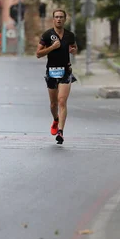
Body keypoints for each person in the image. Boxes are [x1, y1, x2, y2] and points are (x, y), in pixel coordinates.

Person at [36, 9, 78, 144]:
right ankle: (55, 119)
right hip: (52, 71)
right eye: (56, 17)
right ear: (53, 19)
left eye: (61, 17)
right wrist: (52, 47)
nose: (59, 19)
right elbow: (38, 54)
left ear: (65, 19)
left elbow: (74, 48)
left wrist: (73, 50)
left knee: (62, 101)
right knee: (54, 103)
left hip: (65, 71)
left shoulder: (70, 35)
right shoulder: (47, 35)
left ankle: (60, 131)